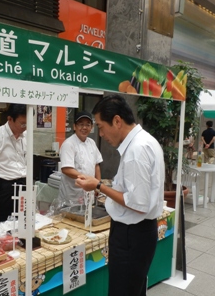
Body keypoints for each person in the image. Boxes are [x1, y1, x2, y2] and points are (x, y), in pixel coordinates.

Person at [75, 94, 164, 296]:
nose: (101, 133)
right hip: (139, 232)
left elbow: (137, 203)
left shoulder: (136, 150)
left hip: (131, 235)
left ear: (117, 121)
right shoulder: (146, 141)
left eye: (100, 126)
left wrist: (98, 185)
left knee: (122, 291)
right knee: (134, 289)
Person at [58, 110, 103, 205]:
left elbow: (96, 165)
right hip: (72, 195)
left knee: (88, 216)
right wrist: (86, 179)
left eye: (87, 125)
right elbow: (66, 169)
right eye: (81, 124)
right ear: (74, 126)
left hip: (89, 192)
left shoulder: (92, 143)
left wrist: (98, 185)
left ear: (92, 127)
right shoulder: (69, 144)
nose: (84, 127)